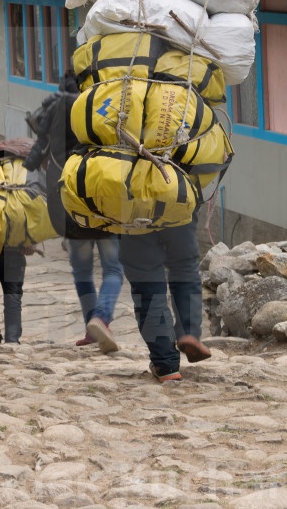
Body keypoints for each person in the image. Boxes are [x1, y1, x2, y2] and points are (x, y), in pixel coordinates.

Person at [23, 71, 123, 353]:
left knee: (82, 270)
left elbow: (37, 152)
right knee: (113, 267)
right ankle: (101, 318)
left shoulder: (54, 108)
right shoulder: (102, 107)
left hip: (69, 201)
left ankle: (93, 328)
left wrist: (30, 166)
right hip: (101, 200)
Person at [119, 214, 212, 382]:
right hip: (177, 201)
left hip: (131, 209)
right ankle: (188, 332)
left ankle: (165, 363)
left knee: (146, 280)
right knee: (184, 266)